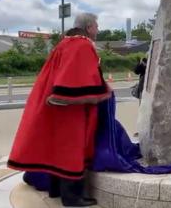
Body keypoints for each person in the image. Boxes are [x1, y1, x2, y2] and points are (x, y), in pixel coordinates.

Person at [7, 13, 111, 207]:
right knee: (71, 150)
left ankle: (56, 190)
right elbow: (78, 76)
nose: (97, 29)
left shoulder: (65, 43)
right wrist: (102, 91)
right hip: (70, 109)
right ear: (89, 27)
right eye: (96, 26)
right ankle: (72, 198)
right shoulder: (82, 45)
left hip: (56, 106)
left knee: (58, 149)